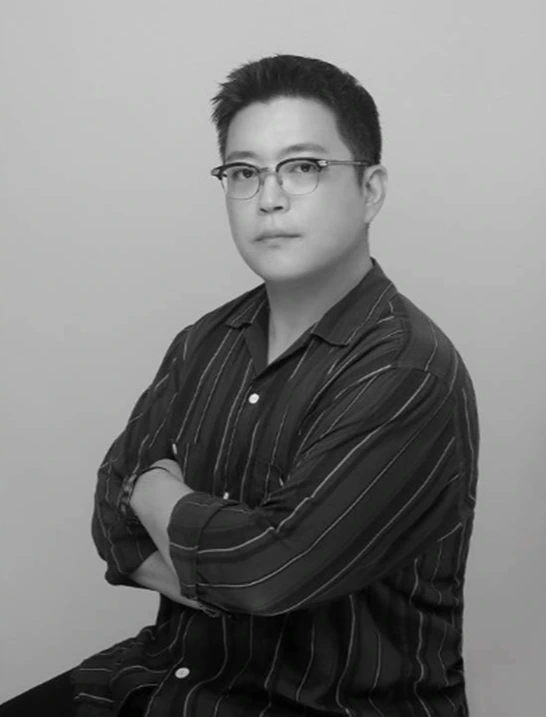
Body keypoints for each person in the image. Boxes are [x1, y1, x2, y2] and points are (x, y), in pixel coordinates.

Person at [0, 54, 479, 717]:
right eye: (244, 172)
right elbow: (111, 518)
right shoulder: (204, 340)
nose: (269, 197)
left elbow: (264, 573)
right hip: (171, 677)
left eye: (303, 167)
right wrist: (226, 570)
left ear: (370, 189)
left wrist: (156, 490)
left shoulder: (406, 370)